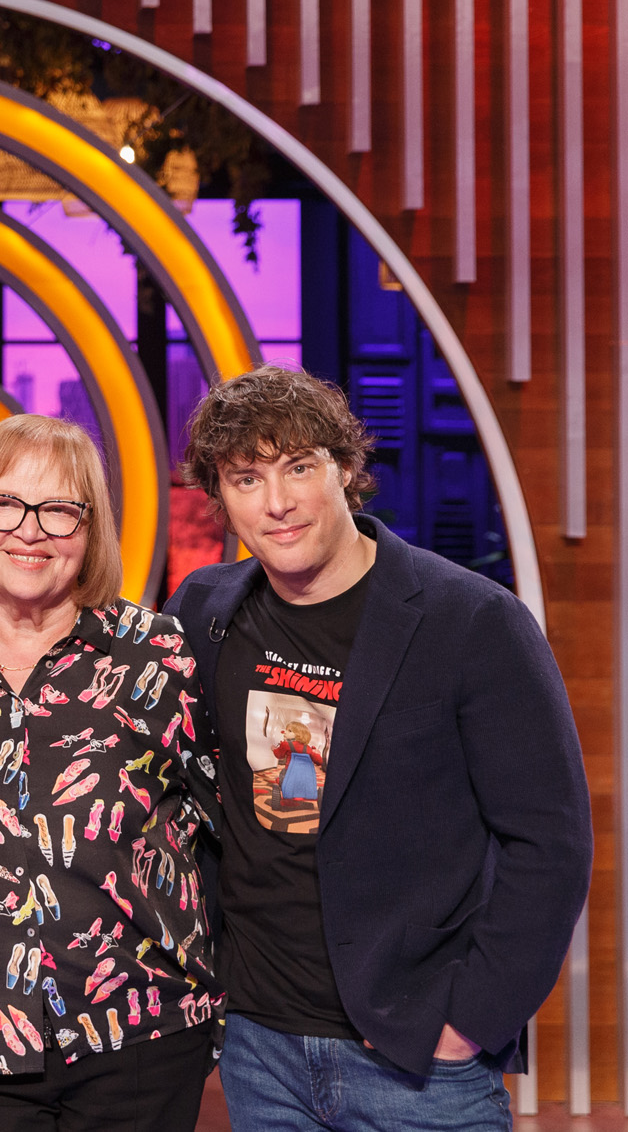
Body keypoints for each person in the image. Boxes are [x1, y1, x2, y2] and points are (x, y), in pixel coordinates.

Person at [166, 364, 592, 1132]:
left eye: (299, 466)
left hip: (416, 1061)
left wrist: (472, 1017)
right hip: (260, 1046)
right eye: (247, 477)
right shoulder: (203, 610)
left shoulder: (471, 620)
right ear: (221, 496)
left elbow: (550, 841)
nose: (277, 501)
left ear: (345, 469)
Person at [0, 414, 220, 1131]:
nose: (29, 531)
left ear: (91, 528)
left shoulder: (156, 654)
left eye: (59, 509)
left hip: (139, 1031)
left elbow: (227, 829)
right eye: (5, 503)